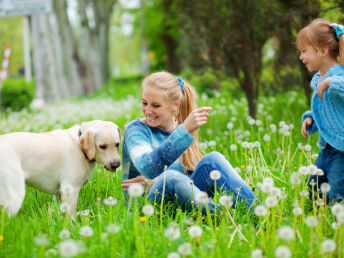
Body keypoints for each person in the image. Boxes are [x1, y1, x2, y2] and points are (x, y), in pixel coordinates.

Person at [121, 71, 256, 213]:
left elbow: (185, 178)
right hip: (146, 208)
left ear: (175, 105)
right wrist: (184, 131)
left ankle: (257, 213)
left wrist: (155, 182)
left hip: (182, 200)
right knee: (169, 178)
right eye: (144, 103)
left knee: (212, 160)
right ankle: (225, 218)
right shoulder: (136, 131)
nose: (148, 111)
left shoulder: (179, 128)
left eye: (155, 106)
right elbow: (148, 168)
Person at [298, 18, 344, 202]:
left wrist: (332, 83)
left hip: (342, 150)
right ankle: (319, 220)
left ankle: (337, 224)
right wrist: (311, 119)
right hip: (327, 148)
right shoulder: (318, 78)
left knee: (336, 194)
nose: (301, 57)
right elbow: (327, 110)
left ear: (323, 50)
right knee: (314, 186)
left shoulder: (338, 75)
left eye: (304, 51)